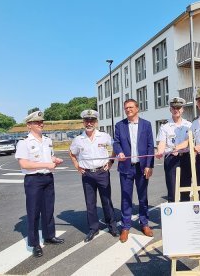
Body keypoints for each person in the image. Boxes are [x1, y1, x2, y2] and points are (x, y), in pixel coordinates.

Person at [15, 111, 64, 258]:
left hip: (48, 178)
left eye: (42, 121)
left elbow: (49, 156)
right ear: (29, 125)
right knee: (34, 212)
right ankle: (34, 243)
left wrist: (55, 160)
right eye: (37, 122)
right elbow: (23, 163)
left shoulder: (47, 140)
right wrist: (47, 164)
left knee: (48, 209)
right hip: (33, 180)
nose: (41, 124)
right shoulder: (24, 142)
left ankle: (49, 236)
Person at [69, 109, 119, 243]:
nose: (89, 123)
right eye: (86, 121)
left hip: (102, 172)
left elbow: (116, 147)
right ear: (83, 122)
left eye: (92, 121)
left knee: (106, 200)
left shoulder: (104, 136)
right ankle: (93, 228)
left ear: (96, 122)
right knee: (90, 203)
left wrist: (111, 161)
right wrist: (76, 165)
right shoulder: (78, 139)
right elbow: (72, 153)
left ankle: (112, 225)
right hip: (87, 174)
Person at [113, 99, 155, 243]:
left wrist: (149, 165)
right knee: (126, 197)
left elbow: (150, 146)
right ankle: (125, 226)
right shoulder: (120, 125)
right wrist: (119, 152)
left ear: (137, 108)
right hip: (126, 167)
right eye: (126, 108)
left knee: (143, 197)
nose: (128, 110)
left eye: (131, 107)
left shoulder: (146, 125)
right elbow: (116, 142)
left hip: (142, 167)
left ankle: (144, 223)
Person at [155, 97, 192, 202]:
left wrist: (177, 147)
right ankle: (173, 214)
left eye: (179, 107)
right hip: (171, 159)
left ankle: (185, 213)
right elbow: (162, 143)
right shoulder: (165, 126)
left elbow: (189, 142)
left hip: (186, 158)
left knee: (186, 187)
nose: (176, 110)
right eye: (174, 108)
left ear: (182, 109)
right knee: (172, 188)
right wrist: (159, 151)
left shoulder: (189, 125)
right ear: (170, 109)